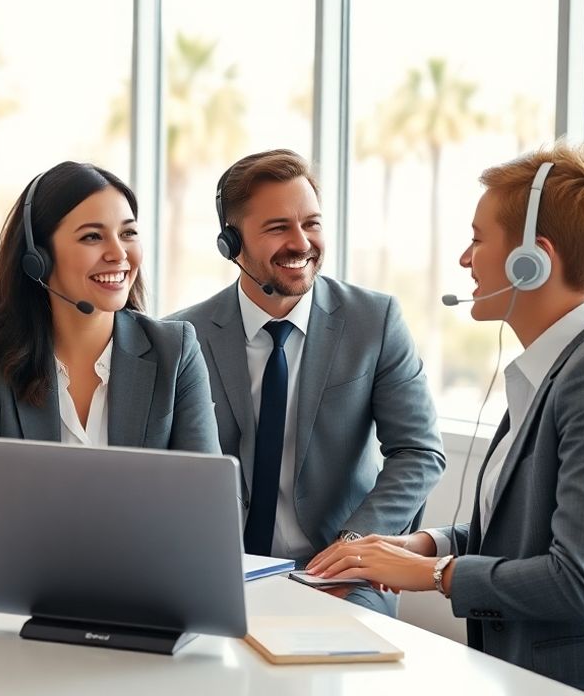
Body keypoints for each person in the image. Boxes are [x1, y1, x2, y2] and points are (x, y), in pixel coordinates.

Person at [306, 143, 584, 686]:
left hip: (582, 679)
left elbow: (575, 582)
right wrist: (422, 545)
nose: (465, 259)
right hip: (522, 668)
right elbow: (528, 532)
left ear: (531, 262)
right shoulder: (557, 367)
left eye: (478, 239)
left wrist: (429, 575)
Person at [168, 148, 445, 616]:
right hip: (216, 568)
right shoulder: (181, 336)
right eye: (278, 228)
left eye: (312, 223)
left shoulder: (374, 321)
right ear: (231, 244)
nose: (301, 243)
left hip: (339, 571)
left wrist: (354, 547)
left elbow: (419, 451)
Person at [0, 161, 219, 548]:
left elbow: (209, 510)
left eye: (129, 233)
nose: (118, 254)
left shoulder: (176, 352)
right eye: (92, 237)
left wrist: (44, 509)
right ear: (38, 257)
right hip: (33, 587)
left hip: (143, 590)